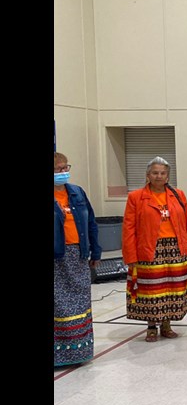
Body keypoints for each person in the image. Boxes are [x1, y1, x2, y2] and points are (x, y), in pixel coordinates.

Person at [122, 156, 187, 342]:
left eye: (162, 173)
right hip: (149, 250)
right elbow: (128, 228)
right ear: (148, 175)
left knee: (174, 287)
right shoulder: (136, 197)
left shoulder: (179, 195)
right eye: (155, 173)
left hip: (176, 248)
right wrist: (130, 254)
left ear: (168, 176)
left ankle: (167, 324)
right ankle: (150, 327)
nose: (159, 176)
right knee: (150, 290)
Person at [54, 152, 102, 366]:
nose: (63, 173)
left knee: (80, 302)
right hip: (57, 258)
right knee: (58, 305)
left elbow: (91, 222)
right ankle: (59, 354)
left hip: (78, 254)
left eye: (66, 168)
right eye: (58, 170)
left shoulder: (77, 193)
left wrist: (96, 251)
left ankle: (78, 352)